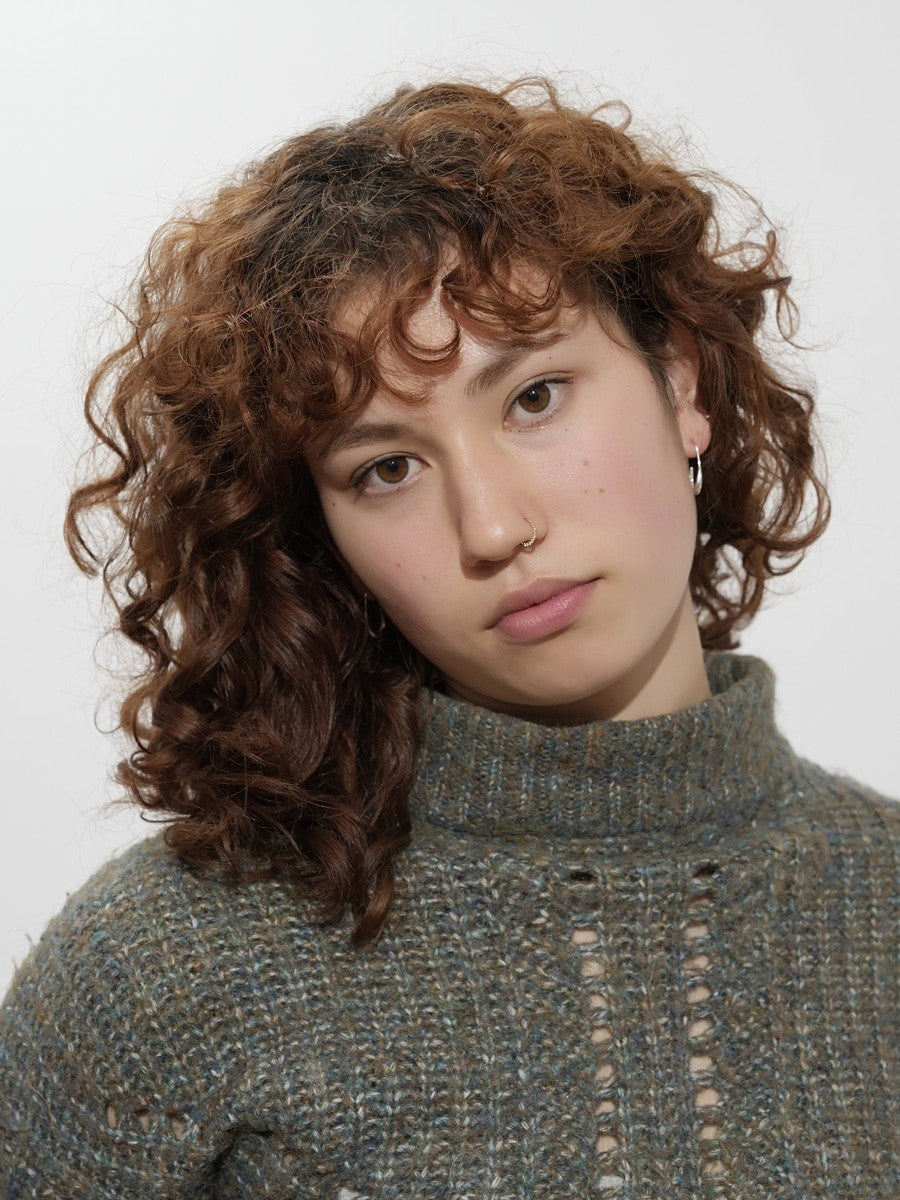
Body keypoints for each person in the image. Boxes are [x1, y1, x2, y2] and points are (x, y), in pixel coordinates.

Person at [0, 76, 896, 1198]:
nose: (493, 527)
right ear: (324, 539)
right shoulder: (160, 969)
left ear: (679, 384)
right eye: (387, 468)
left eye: (534, 398)